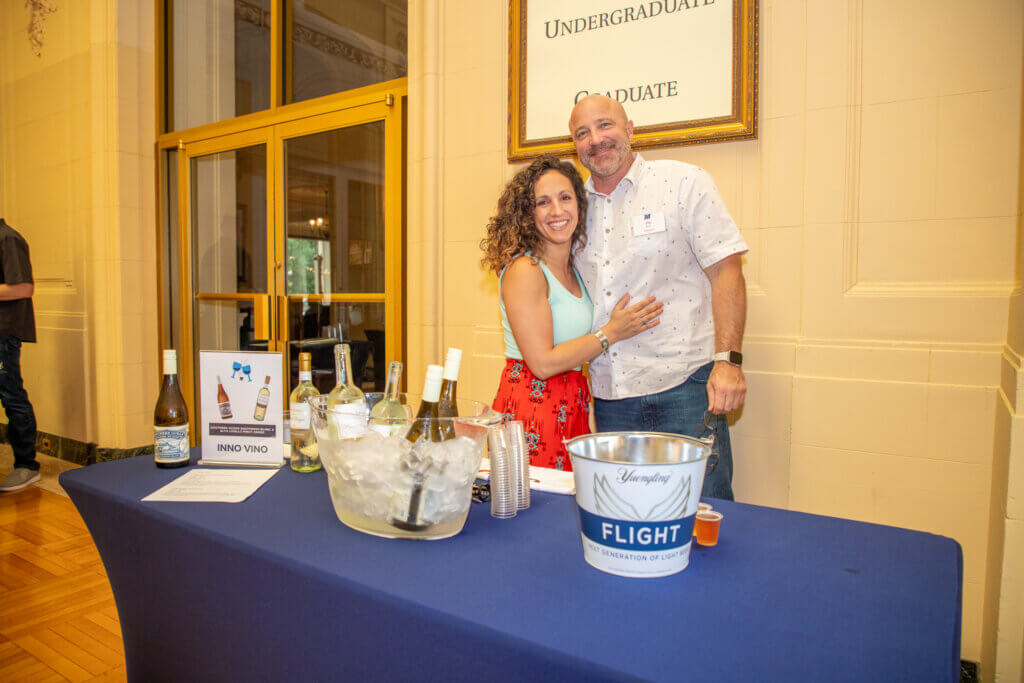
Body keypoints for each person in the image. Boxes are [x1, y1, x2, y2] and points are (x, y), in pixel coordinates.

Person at [568, 95, 748, 500]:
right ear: (575, 146)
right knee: (624, 509)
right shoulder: (573, 209)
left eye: (605, 125)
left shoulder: (683, 182)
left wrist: (729, 362)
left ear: (630, 129)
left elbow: (727, 270)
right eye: (582, 133)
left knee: (703, 507)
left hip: (686, 386)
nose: (595, 139)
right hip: (611, 395)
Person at [480, 155, 663, 471]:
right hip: (532, 403)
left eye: (565, 198)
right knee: (538, 509)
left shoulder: (576, 271)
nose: (557, 211)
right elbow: (542, 362)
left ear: (579, 205)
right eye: (542, 202)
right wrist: (612, 332)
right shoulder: (526, 269)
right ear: (527, 213)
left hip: (572, 399)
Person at [0, 218, 39, 493]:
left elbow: (24, 287)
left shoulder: (8, 239)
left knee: (11, 395)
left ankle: (27, 466)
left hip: (3, 335)